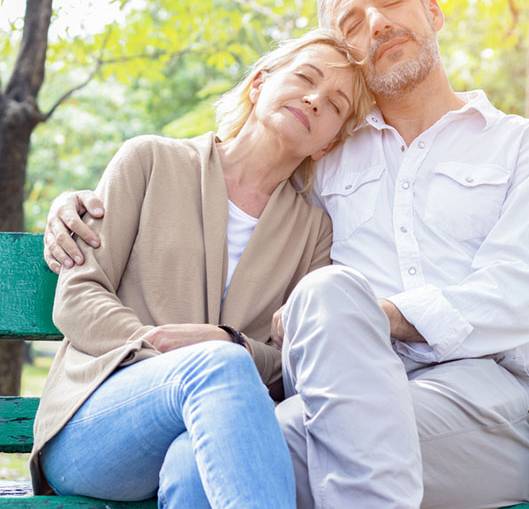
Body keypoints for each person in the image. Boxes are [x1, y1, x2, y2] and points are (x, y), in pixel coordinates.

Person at [42, 0, 529, 509]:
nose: (376, 23)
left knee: (324, 309)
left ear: (433, 12)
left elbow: (521, 292)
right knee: (195, 457)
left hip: (482, 399)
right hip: (334, 384)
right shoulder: (329, 163)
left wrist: (379, 315)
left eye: (391, 1)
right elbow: (233, 171)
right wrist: (70, 204)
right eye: (351, 23)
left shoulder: (524, 148)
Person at [29, 29, 373, 508]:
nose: (315, 100)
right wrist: (167, 351)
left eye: (335, 105)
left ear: (326, 145)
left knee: (195, 468)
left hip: (214, 436)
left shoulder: (314, 230)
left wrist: (232, 344)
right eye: (305, 78)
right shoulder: (149, 161)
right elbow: (78, 295)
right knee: (218, 366)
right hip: (98, 425)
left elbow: (292, 363)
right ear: (259, 84)